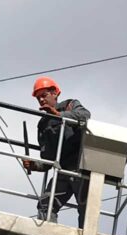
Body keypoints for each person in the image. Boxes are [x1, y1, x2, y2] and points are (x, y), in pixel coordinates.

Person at [22, 76, 91, 227]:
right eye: (38, 97)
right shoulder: (43, 124)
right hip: (62, 170)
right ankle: (47, 234)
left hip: (81, 167)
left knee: (87, 208)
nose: (41, 100)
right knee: (45, 205)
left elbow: (85, 116)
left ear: (55, 93)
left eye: (44, 95)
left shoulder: (70, 105)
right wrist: (34, 165)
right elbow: (47, 160)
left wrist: (59, 115)